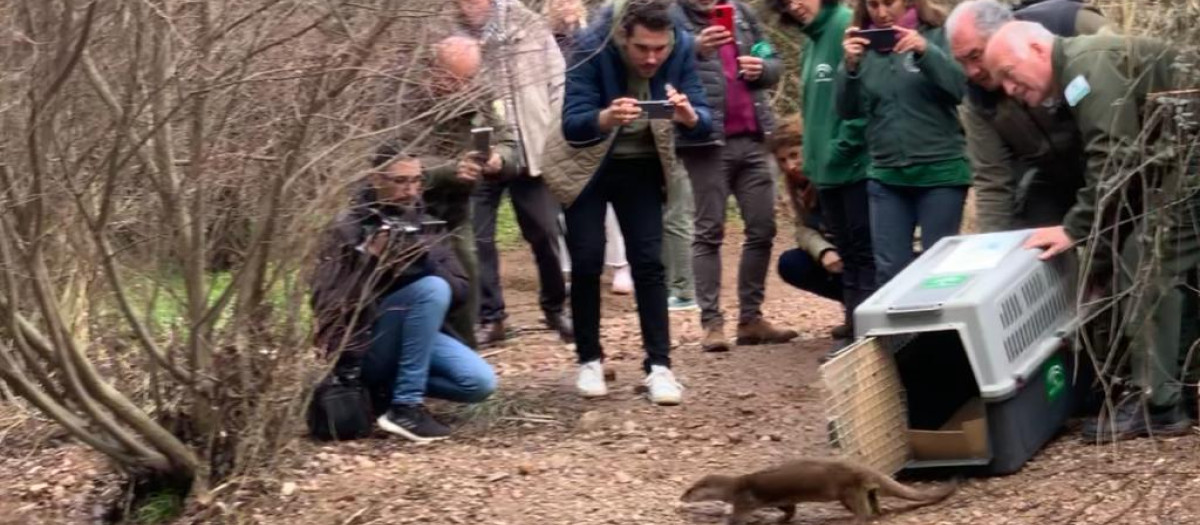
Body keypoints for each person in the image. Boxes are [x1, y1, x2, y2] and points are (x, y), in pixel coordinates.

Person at [983, 22, 1198, 440]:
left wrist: (1075, 229)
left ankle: (1160, 404)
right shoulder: (1080, 70)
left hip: (1191, 155)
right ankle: (1178, 388)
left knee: (1149, 257)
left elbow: (1115, 156)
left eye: (1010, 72)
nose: (1008, 88)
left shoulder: (1085, 66)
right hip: (1184, 153)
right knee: (1154, 254)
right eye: (1001, 81)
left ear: (1037, 48)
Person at [542, 0, 712, 405]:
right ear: (623, 37)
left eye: (660, 49)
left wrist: (688, 116)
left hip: (642, 164)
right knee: (586, 259)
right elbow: (574, 123)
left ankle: (660, 366)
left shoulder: (683, 46)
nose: (652, 58)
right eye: (642, 49)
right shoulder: (591, 45)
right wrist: (606, 117)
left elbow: (705, 117)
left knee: (649, 261)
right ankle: (589, 359)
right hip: (586, 165)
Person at [310, 143, 498, 443]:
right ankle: (405, 407)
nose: (410, 191)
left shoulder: (426, 224)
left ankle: (388, 391)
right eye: (400, 181)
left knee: (478, 383)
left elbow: (461, 291)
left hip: (415, 335)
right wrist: (371, 262)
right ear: (375, 179)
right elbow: (325, 303)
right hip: (365, 340)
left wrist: (422, 262)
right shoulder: (347, 228)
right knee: (431, 289)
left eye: (416, 181)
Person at [373, 36, 518, 348]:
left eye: (469, 79)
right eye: (455, 80)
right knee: (407, 287)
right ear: (433, 69)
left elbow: (508, 142)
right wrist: (450, 169)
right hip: (403, 212)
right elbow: (393, 156)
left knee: (466, 277)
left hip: (454, 213)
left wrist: (498, 159)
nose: (463, 88)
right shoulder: (402, 97)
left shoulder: (479, 97)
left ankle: (463, 358)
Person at [669, 0, 795, 352]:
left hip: (754, 137)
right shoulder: (673, 17)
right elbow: (656, 65)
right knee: (709, 230)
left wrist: (763, 68)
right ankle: (712, 323)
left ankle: (750, 318)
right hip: (706, 142)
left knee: (762, 228)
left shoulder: (741, 13)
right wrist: (693, 47)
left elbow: (771, 59)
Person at [451, 0, 574, 347]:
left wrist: (555, 133)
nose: (468, 5)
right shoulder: (448, 29)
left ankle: (555, 307)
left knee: (546, 234)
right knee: (478, 239)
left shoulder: (528, 23)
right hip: (478, 150)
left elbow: (558, 83)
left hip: (530, 145)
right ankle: (492, 317)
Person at [836, 0, 970, 287]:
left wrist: (925, 51)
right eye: (873, 5)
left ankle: (942, 334)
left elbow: (959, 89)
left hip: (940, 169)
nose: (882, 13)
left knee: (939, 270)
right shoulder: (860, 45)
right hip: (886, 174)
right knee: (890, 271)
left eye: (889, 3)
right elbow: (847, 111)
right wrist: (848, 68)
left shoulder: (938, 33)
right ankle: (900, 334)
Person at [946, 0, 1110, 233]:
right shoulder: (978, 98)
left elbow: (1127, 76)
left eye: (975, 56)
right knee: (1030, 240)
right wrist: (992, 251)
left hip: (1110, 160)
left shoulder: (1071, 24)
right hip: (1051, 177)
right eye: (961, 62)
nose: (971, 72)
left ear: (1001, 32)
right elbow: (993, 182)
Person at [770, 0, 873, 347]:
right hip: (826, 172)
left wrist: (840, 147)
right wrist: (814, 159)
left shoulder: (845, 25)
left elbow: (861, 100)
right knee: (845, 254)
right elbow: (813, 111)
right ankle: (855, 324)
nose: (795, 5)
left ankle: (868, 333)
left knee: (863, 253)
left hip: (853, 166)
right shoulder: (810, 41)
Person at [770, 115, 845, 308]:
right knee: (791, 263)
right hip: (835, 252)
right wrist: (823, 250)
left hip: (861, 250)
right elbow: (802, 228)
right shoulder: (797, 186)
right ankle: (851, 303)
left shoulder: (835, 173)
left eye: (794, 155)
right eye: (783, 161)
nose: (790, 166)